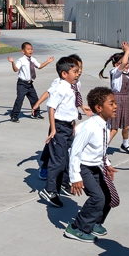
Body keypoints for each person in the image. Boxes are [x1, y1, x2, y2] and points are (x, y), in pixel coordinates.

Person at [65, 87, 119, 243]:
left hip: (96, 167)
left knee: (108, 196)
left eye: (114, 103)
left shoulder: (105, 125)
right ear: (99, 108)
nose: (115, 106)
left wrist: (107, 164)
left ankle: (95, 222)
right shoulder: (89, 127)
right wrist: (75, 177)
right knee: (97, 198)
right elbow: (74, 152)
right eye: (112, 103)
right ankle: (77, 228)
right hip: (83, 168)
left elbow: (101, 148)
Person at [33, 54, 91, 183]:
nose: (79, 72)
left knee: (66, 152)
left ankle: (64, 180)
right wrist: (37, 103)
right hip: (58, 123)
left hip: (69, 122)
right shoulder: (59, 83)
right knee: (52, 149)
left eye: (80, 68)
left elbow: (73, 99)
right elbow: (49, 94)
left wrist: (82, 107)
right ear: (66, 72)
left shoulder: (76, 83)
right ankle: (45, 167)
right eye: (76, 69)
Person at [38, 57, 81, 208]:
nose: (78, 74)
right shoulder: (61, 88)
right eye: (75, 71)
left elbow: (71, 106)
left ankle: (62, 183)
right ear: (64, 74)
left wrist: (75, 121)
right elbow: (51, 107)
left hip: (68, 126)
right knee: (58, 160)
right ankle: (49, 190)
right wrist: (53, 128)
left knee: (67, 157)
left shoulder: (72, 87)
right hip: (60, 127)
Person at [99, 42, 129, 154]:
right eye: (123, 63)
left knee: (126, 126)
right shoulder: (115, 72)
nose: (127, 64)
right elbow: (125, 62)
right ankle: (102, 150)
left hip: (125, 100)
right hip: (116, 99)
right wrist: (126, 52)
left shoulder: (127, 70)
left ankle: (125, 144)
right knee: (114, 128)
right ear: (117, 64)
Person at [8, 42, 54, 122]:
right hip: (22, 84)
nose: (30, 51)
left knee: (34, 99)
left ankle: (36, 113)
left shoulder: (32, 59)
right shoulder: (21, 60)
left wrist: (48, 61)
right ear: (23, 51)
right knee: (19, 100)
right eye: (28, 49)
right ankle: (14, 116)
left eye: (31, 49)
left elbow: (39, 66)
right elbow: (16, 69)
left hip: (30, 84)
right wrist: (13, 62)